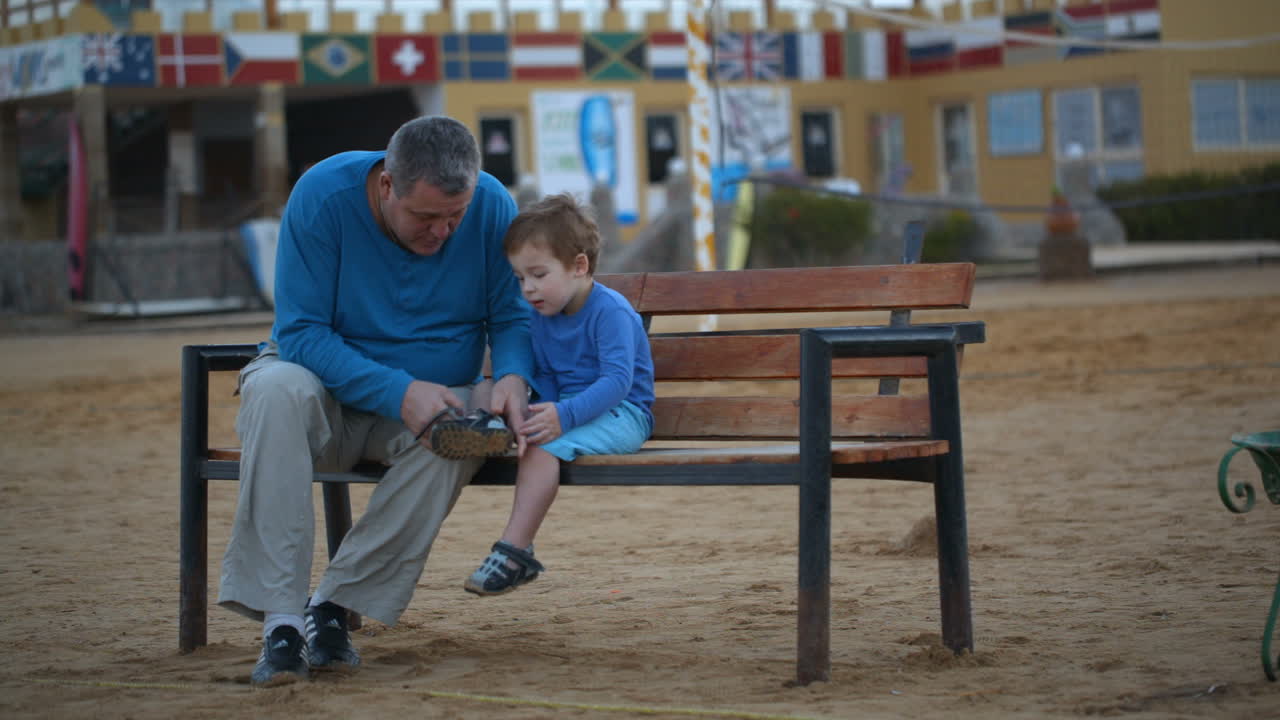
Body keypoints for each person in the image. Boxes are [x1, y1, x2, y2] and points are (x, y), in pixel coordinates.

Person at [220, 116, 533, 686]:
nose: (441, 233)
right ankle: (282, 624)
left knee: (463, 434)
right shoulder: (321, 195)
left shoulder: (491, 204)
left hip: (425, 411)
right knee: (273, 388)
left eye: (453, 218)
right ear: (387, 186)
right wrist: (398, 391)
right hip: (323, 404)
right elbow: (303, 333)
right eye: (425, 217)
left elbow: (511, 316)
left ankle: (333, 608)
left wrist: (512, 375)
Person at [462, 193, 655, 596]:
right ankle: (488, 426)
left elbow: (617, 382)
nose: (528, 289)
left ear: (579, 266)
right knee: (491, 386)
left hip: (623, 415)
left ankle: (514, 550)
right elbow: (544, 374)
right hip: (569, 412)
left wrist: (561, 417)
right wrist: (537, 411)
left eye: (537, 274)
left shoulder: (611, 311)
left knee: (542, 445)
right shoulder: (540, 316)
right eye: (520, 279)